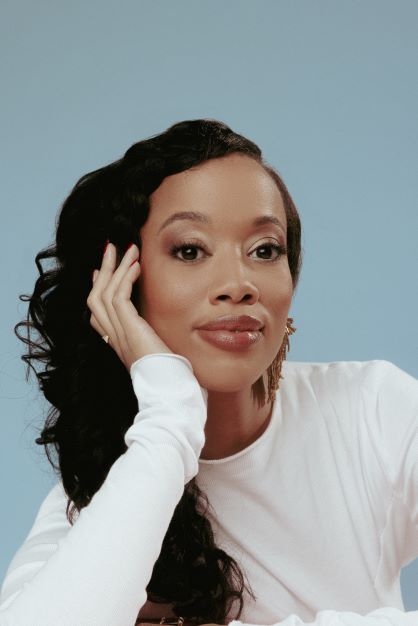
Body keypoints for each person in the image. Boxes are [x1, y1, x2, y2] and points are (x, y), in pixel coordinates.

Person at [0, 118, 416, 626]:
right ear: (122, 288)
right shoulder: (104, 502)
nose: (238, 284)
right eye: (190, 251)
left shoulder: (371, 409)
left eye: (265, 250)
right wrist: (168, 416)